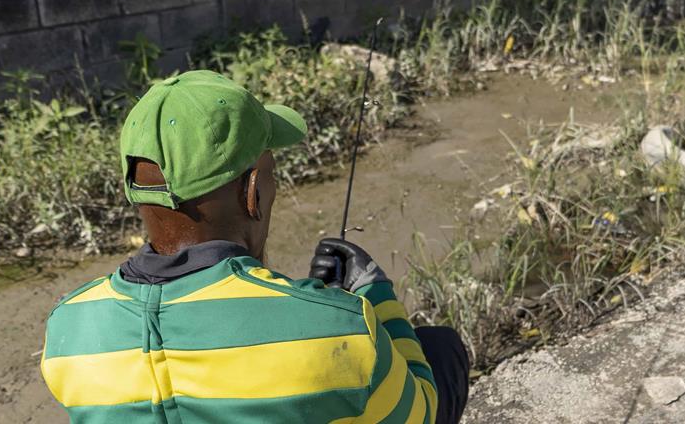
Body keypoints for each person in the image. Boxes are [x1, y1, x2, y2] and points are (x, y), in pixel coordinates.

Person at [40, 70, 469, 423]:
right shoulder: (341, 326)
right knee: (441, 347)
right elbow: (422, 412)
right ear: (253, 193)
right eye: (271, 174)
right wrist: (374, 293)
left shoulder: (67, 329)